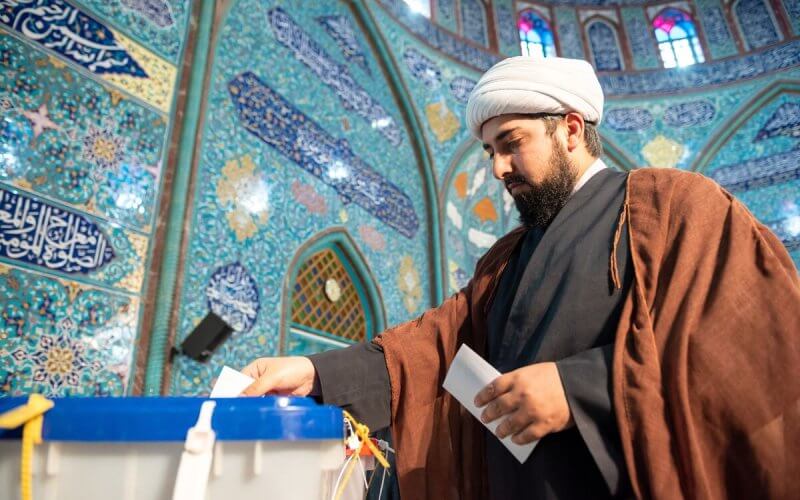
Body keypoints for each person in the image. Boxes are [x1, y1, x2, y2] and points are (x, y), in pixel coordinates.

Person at [242, 57, 800, 499]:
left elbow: (753, 342)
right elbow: (431, 347)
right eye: (490, 151)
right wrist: (314, 372)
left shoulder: (672, 207)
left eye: (512, 143)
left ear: (571, 130)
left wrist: (583, 388)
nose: (498, 169)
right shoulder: (506, 260)